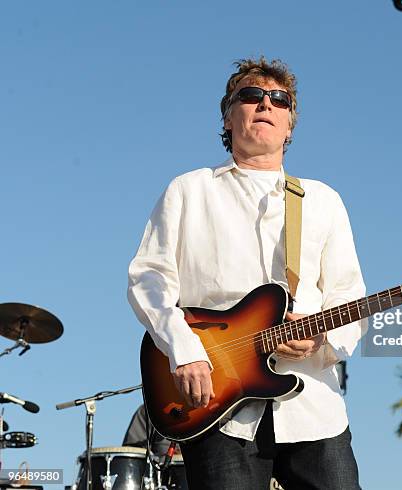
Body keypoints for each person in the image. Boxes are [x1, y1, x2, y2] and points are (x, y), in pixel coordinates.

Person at [127, 57, 367, 490]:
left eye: (279, 100)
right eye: (250, 95)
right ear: (228, 114)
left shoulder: (323, 200)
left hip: (314, 403)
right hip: (218, 406)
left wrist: (322, 340)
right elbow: (149, 279)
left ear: (290, 123)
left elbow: (349, 295)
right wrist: (185, 351)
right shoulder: (189, 189)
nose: (265, 104)